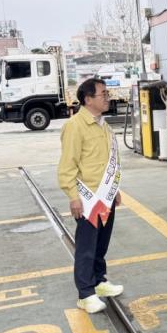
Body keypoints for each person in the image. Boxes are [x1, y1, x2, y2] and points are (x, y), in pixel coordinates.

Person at [58, 78, 123, 314]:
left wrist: (115, 190)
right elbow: (67, 166)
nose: (107, 98)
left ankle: (99, 280)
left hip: (106, 194)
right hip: (88, 197)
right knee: (86, 247)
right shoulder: (75, 126)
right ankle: (85, 293)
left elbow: (107, 161)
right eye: (103, 94)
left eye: (107, 94)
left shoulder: (103, 125)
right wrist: (73, 196)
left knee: (101, 243)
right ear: (88, 99)